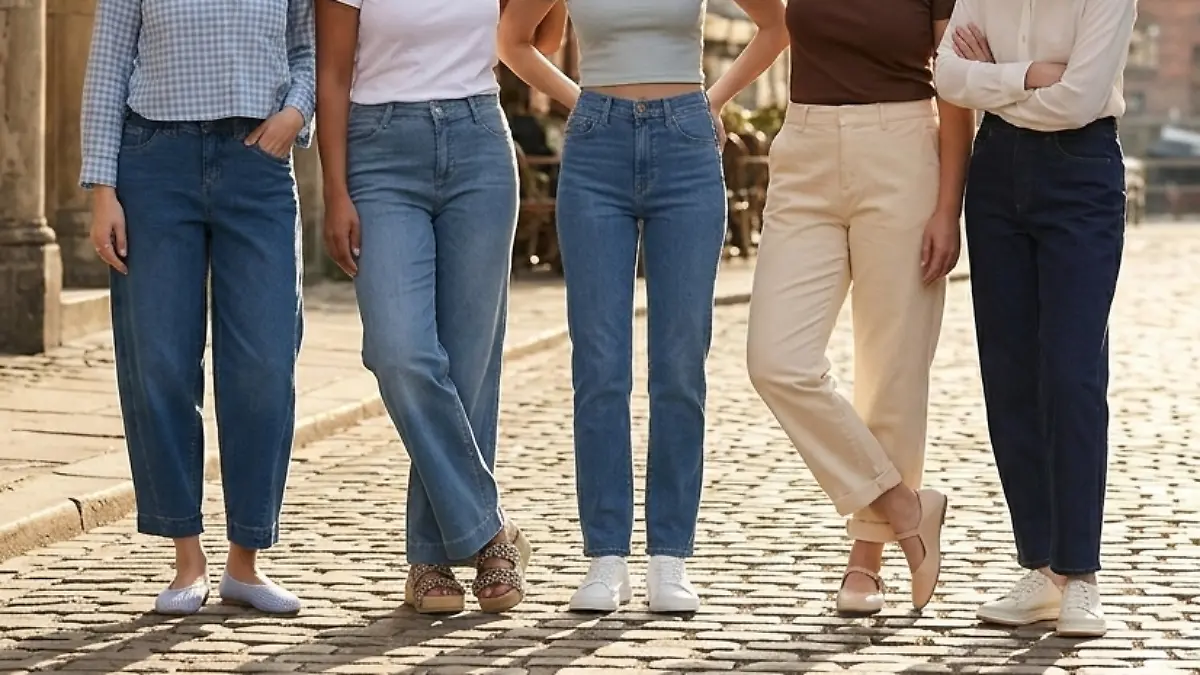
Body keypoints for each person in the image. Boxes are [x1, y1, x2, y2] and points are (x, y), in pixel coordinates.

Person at [499, 0, 789, 614]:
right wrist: (581, 100)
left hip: (685, 144)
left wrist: (714, 99)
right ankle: (605, 557)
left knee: (680, 365)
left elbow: (778, 24)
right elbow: (513, 40)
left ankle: (669, 557)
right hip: (596, 147)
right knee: (600, 365)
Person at [315, 0, 566, 614]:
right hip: (379, 152)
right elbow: (332, 76)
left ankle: (429, 559)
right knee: (399, 351)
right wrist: (335, 190)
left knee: (470, 366)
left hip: (478, 143)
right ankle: (491, 533)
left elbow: (544, 39)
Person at [80, 0, 316, 615]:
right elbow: (107, 64)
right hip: (153, 164)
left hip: (258, 164)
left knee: (265, 365)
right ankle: (187, 557)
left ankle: (246, 562)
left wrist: (295, 112)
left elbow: (314, 48)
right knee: (158, 361)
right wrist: (102, 188)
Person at [744, 0, 976, 615]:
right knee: (776, 360)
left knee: (892, 366)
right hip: (805, 152)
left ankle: (866, 561)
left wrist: (948, 209)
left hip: (902, 150)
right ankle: (904, 505)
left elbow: (955, 89)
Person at [934, 0, 1137, 638]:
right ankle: (1042, 569)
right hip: (994, 177)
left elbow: (1079, 100)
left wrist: (994, 81)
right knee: (1009, 373)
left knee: (1072, 373)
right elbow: (945, 74)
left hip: (1080, 174)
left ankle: (1081, 574)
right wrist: (1027, 76)